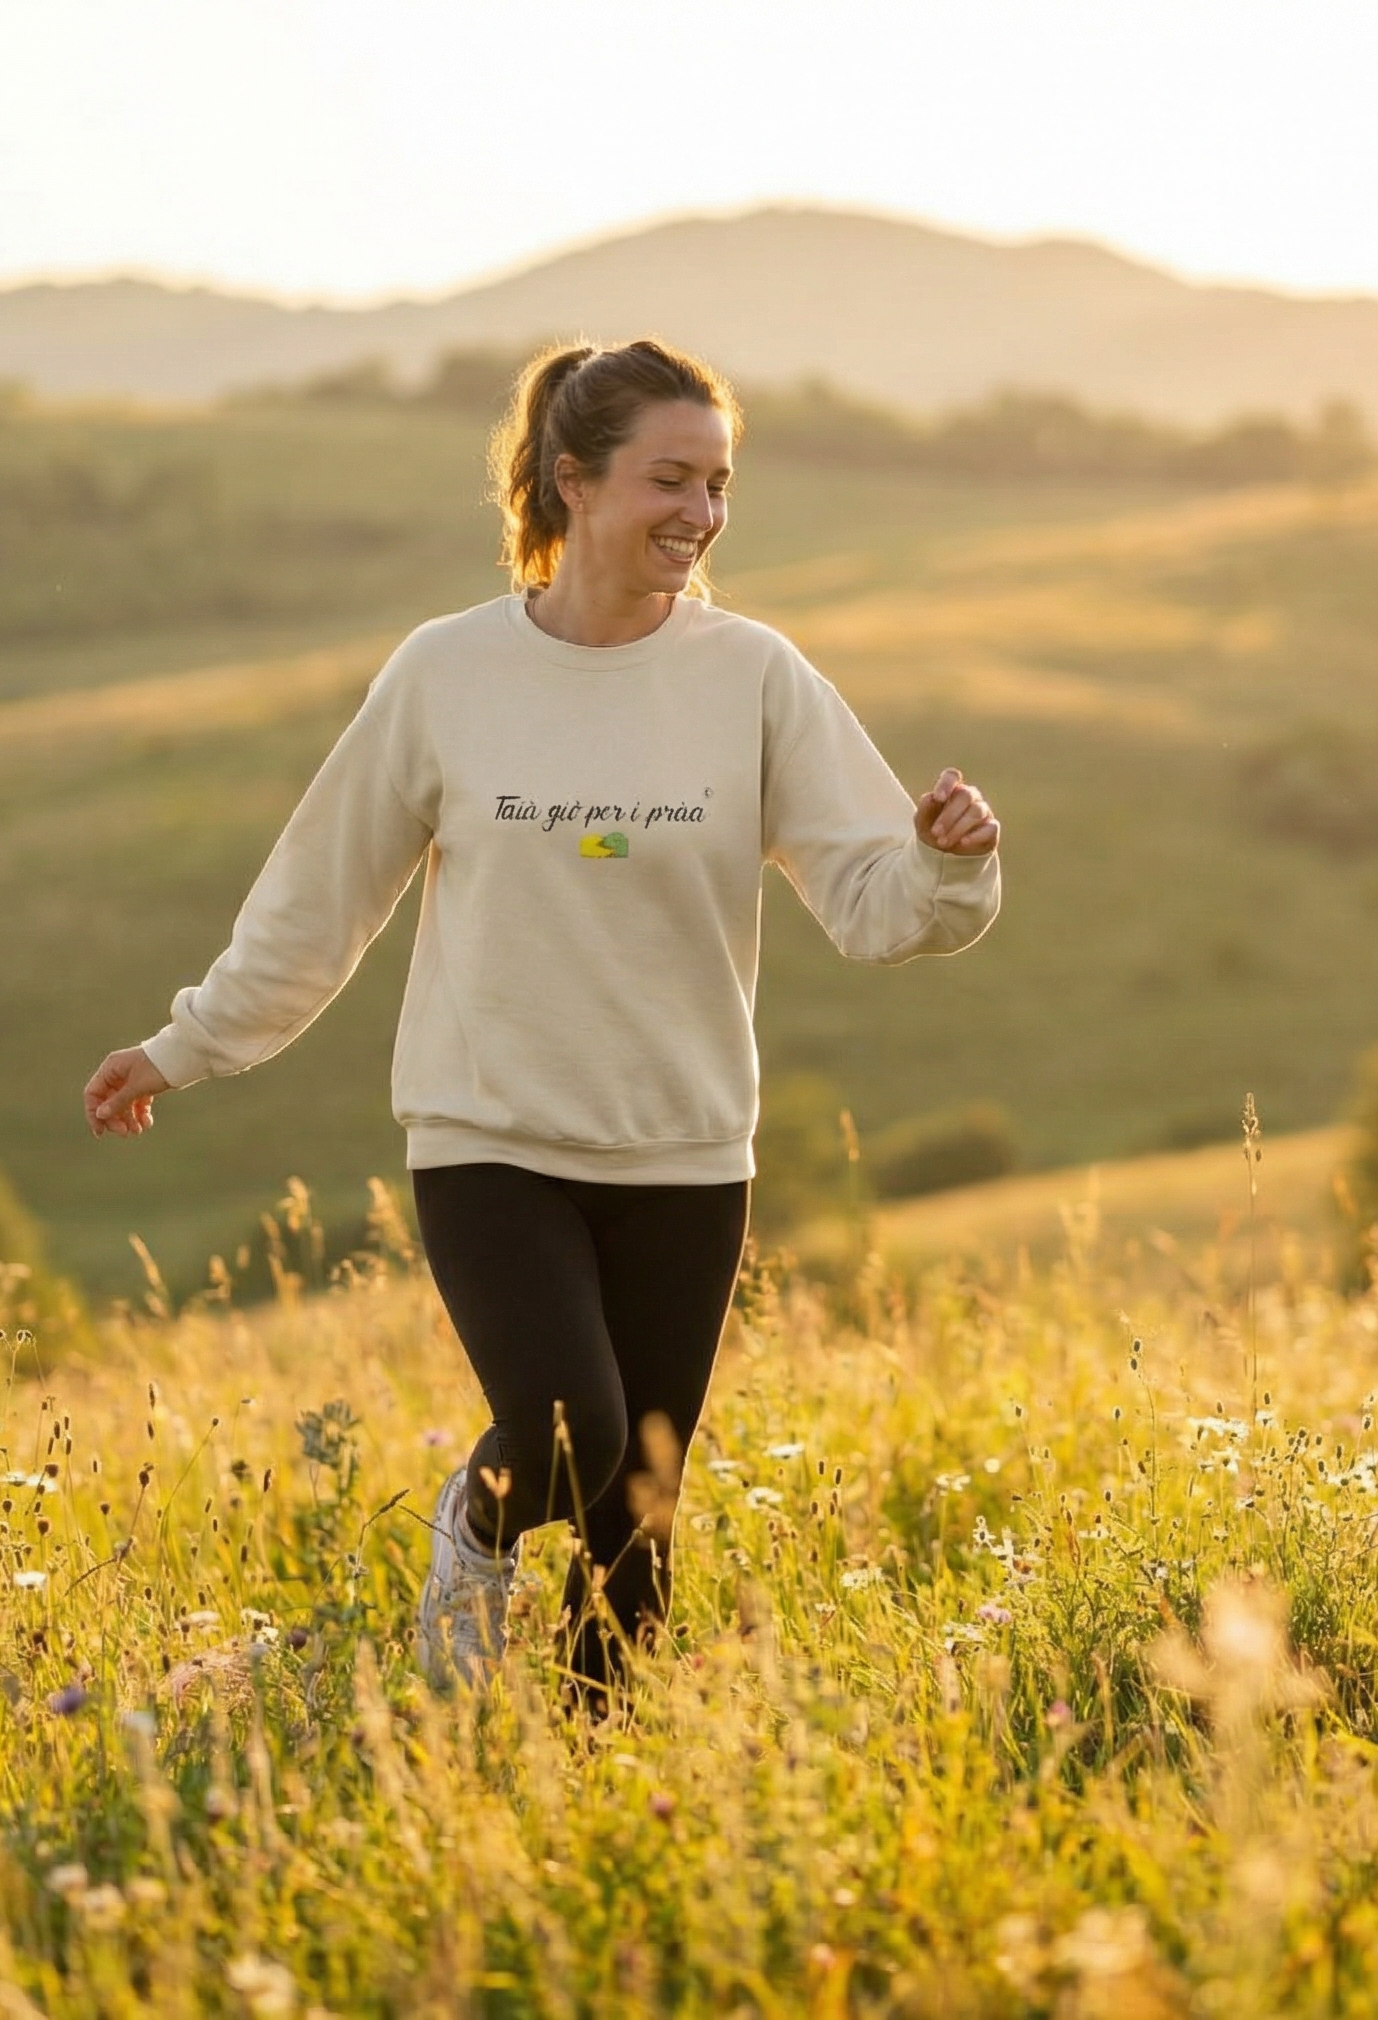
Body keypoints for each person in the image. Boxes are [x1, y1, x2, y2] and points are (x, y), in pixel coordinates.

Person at [82, 338, 1001, 1708]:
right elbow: (321, 897)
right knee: (567, 1437)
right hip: (492, 1140)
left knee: (638, 1516)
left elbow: (874, 906)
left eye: (721, 484)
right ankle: (472, 1532)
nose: (700, 514)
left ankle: (588, 1784)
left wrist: (948, 861)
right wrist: (188, 1043)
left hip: (686, 1153)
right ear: (572, 481)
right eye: (669, 479)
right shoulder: (448, 673)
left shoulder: (753, 677)